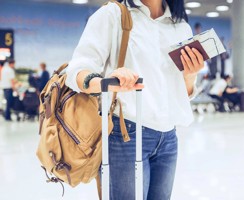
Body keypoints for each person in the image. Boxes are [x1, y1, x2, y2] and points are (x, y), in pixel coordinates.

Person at [65, 0, 204, 199]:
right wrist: (106, 82)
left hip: (169, 138)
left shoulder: (180, 26)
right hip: (125, 133)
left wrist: (190, 75)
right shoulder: (113, 14)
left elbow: (180, 92)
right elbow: (76, 71)